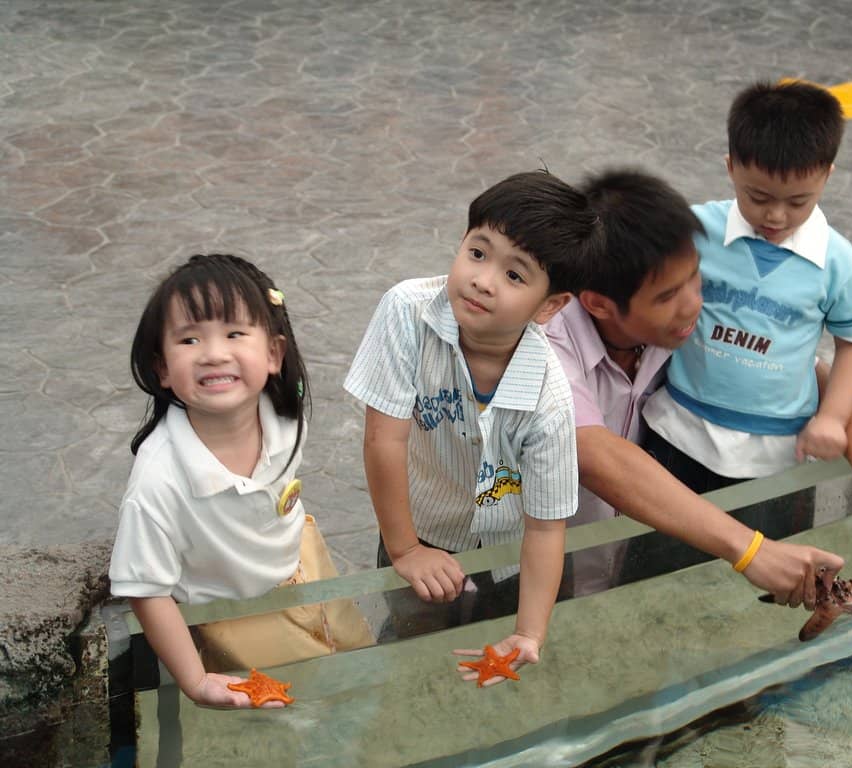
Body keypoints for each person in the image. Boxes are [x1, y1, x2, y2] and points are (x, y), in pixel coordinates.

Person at [545, 169, 852, 607]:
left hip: (628, 575)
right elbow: (596, 454)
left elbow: (814, 378)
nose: (694, 304)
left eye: (697, 278)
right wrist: (750, 550)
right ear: (598, 303)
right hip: (540, 578)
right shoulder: (547, 345)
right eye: (667, 296)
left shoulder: (679, 324)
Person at [343, 170, 603, 683]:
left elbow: (546, 526)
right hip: (422, 526)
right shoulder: (407, 312)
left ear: (550, 306)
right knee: (413, 655)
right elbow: (383, 439)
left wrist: (529, 632)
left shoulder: (549, 397)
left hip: (515, 549)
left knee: (509, 667)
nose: (483, 280)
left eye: (515, 275)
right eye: (478, 253)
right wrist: (405, 549)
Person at [109, 253, 372, 710]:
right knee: (294, 711)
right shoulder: (158, 481)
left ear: (273, 354)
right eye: (189, 339)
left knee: (358, 666)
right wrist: (196, 682)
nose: (213, 353)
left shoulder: (284, 420)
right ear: (162, 368)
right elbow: (144, 588)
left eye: (234, 333)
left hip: (305, 568)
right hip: (234, 614)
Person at [645, 80, 852, 501]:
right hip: (679, 431)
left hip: (777, 457)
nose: (775, 215)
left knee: (770, 545)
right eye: (758, 197)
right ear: (731, 167)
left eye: (797, 202)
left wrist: (833, 417)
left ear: (827, 176)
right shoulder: (695, 230)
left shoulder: (836, 261)